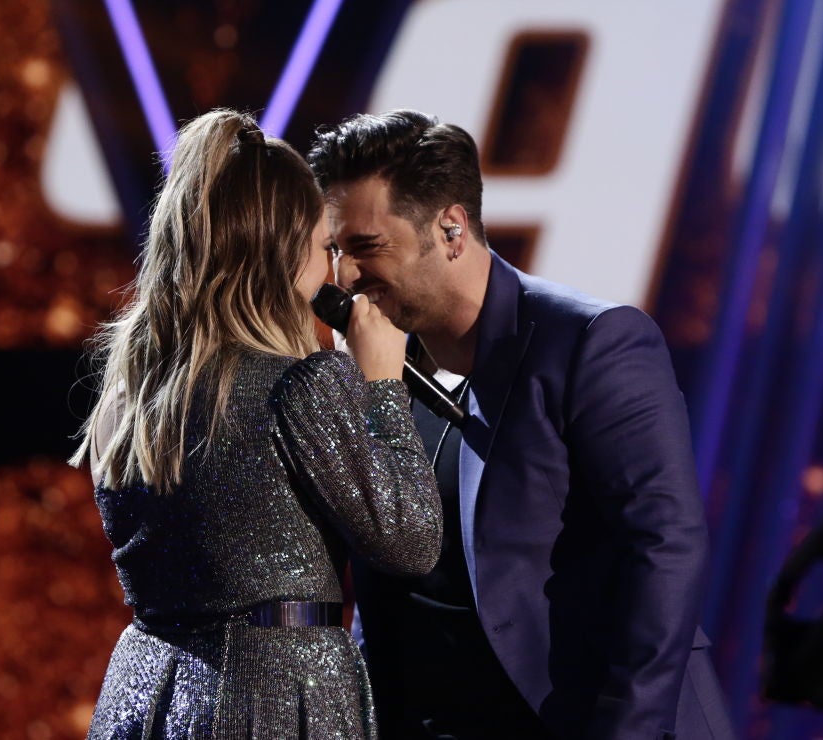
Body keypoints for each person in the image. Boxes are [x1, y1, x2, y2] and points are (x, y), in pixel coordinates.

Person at [308, 110, 732, 739]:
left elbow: (666, 546)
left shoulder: (592, 341)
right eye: (336, 250)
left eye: (367, 247)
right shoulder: (375, 369)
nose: (344, 276)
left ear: (451, 229)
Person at [71, 110, 442, 739]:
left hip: (147, 692)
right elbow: (411, 542)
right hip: (277, 691)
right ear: (282, 250)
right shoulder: (300, 386)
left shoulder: (131, 392)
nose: (333, 270)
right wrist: (381, 388)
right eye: (325, 247)